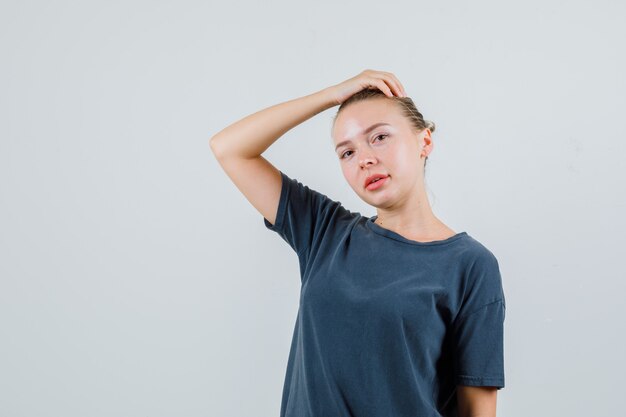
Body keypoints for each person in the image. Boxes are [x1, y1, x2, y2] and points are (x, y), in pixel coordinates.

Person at [209, 69, 506, 417]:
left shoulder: (471, 265)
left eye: (379, 137)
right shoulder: (323, 231)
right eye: (346, 152)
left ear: (424, 141)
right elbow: (230, 149)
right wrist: (331, 95)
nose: (364, 158)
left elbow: (477, 409)